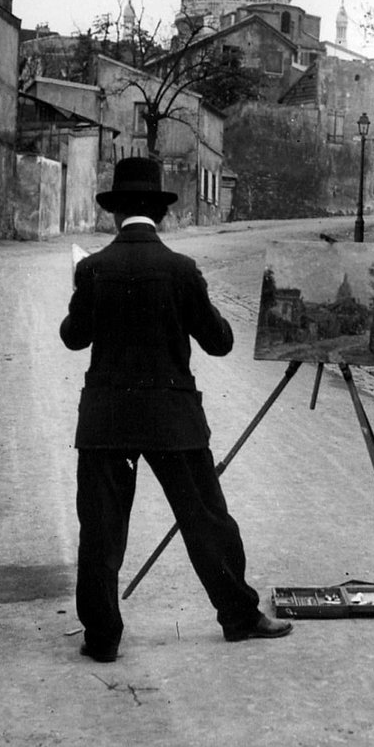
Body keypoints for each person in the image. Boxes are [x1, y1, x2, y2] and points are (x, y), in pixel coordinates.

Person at [60, 156, 292, 662]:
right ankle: (239, 616)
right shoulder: (181, 270)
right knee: (207, 519)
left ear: (116, 215)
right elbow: (220, 343)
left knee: (100, 531)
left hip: (107, 421)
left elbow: (73, 339)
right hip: (173, 419)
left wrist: (81, 294)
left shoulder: (92, 268)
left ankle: (102, 638)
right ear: (159, 215)